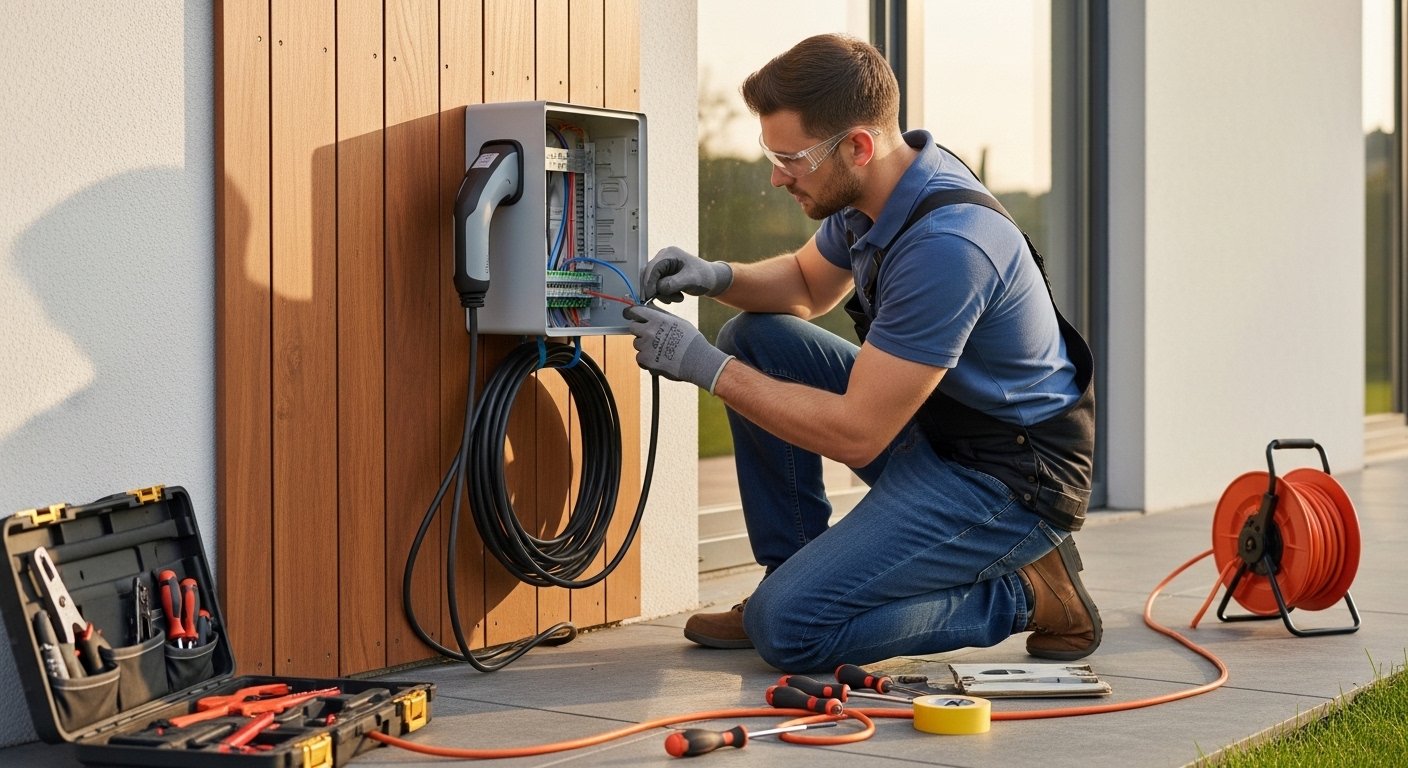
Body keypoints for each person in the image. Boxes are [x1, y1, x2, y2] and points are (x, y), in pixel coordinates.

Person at [622, 33, 1099, 673]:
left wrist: (705, 368)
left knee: (788, 630)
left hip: (1009, 480)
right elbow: (806, 284)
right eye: (772, 152)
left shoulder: (948, 247)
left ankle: (1026, 593)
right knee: (756, 338)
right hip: (939, 434)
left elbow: (857, 434)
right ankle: (789, 569)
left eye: (790, 157)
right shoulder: (877, 192)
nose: (776, 174)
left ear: (858, 146)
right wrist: (716, 276)